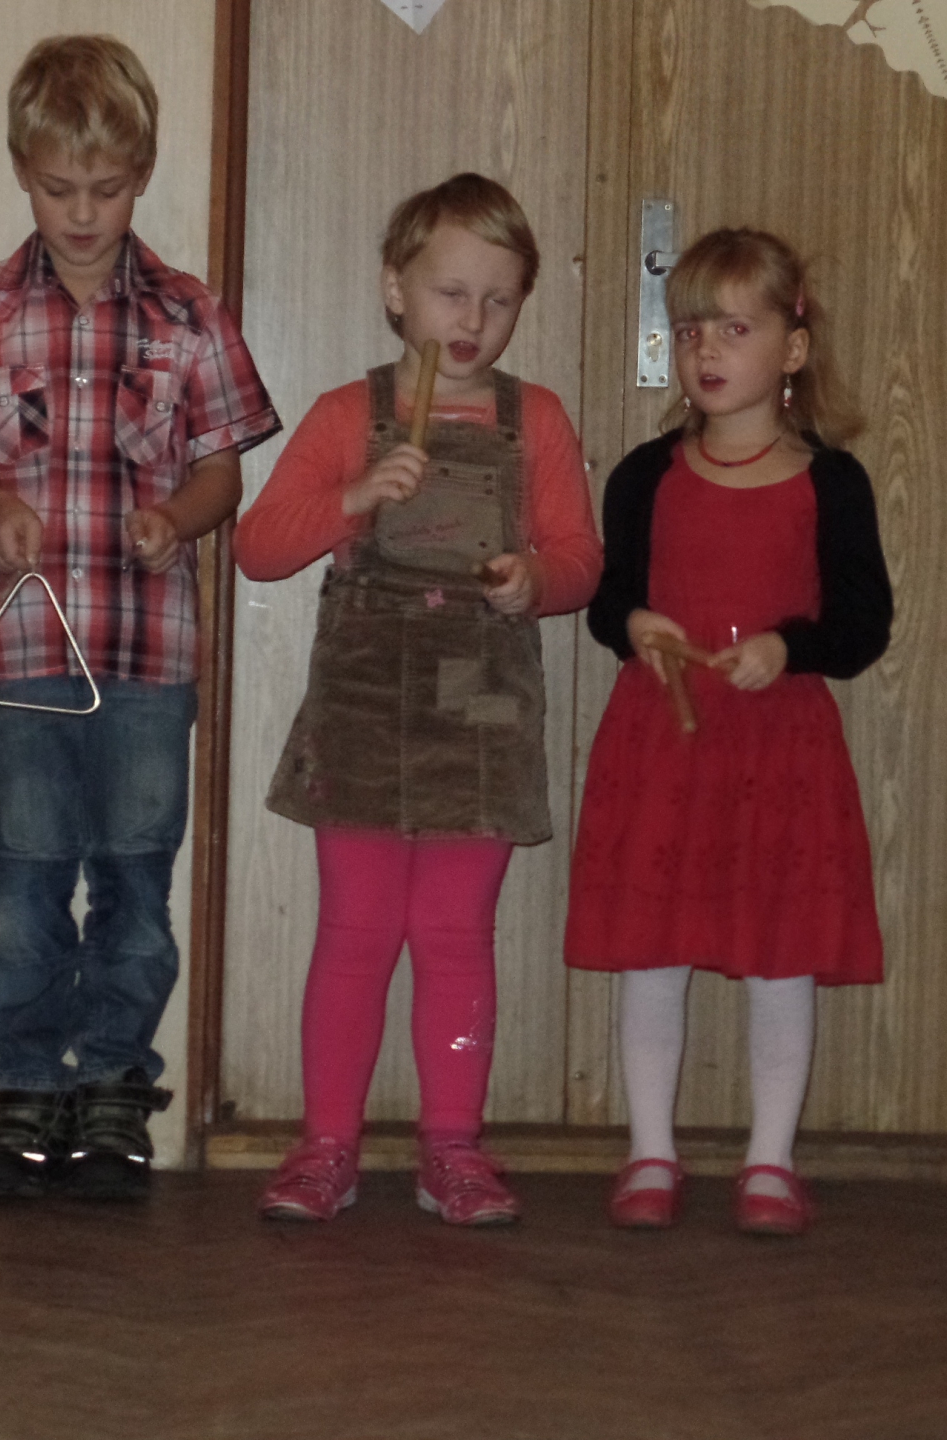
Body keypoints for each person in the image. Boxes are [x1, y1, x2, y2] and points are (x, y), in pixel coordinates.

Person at [0, 35, 280, 1203]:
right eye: (59, 187)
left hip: (148, 660)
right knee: (22, 884)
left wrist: (177, 518)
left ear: (142, 174)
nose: (82, 212)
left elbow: (223, 472)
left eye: (106, 189)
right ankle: (25, 1089)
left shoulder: (191, 314)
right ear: (22, 170)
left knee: (135, 882)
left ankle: (112, 1085)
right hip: (16, 653)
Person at [236, 174, 602, 1225]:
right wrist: (352, 496)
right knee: (354, 932)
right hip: (361, 701)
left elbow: (582, 561)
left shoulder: (538, 421)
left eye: (499, 298)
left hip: (480, 703)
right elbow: (259, 548)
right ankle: (326, 1148)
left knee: (453, 933)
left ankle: (454, 1149)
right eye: (451, 293)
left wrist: (536, 580)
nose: (474, 319)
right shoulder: (348, 414)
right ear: (395, 291)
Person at [565, 227, 892, 1235]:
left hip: (779, 751)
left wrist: (789, 647)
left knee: (780, 953)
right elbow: (607, 598)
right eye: (690, 329)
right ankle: (650, 1153)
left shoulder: (832, 482)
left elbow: (863, 626)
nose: (706, 349)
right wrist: (635, 624)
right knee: (652, 950)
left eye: (734, 329)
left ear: (792, 347)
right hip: (664, 744)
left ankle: (770, 1162)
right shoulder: (644, 474)